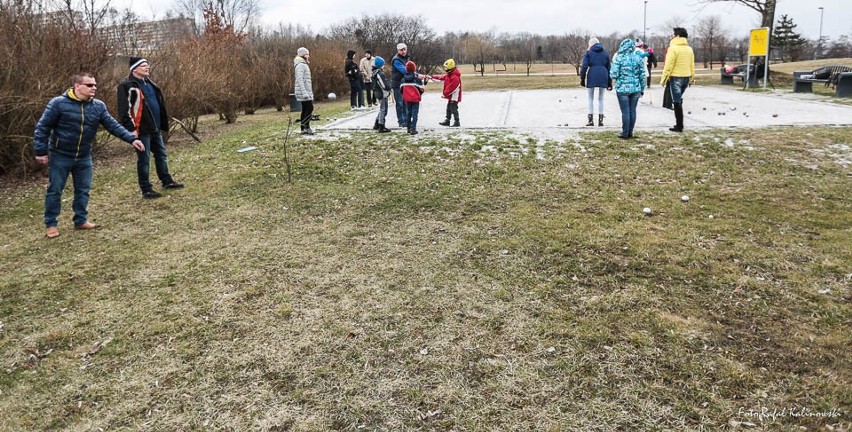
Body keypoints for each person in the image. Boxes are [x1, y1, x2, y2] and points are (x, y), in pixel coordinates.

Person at [33, 72, 145, 238]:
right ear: (77, 86)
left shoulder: (98, 106)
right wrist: (40, 151)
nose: (94, 88)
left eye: (95, 85)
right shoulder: (58, 104)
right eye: (89, 85)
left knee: (83, 190)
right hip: (60, 155)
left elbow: (112, 125)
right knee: (55, 190)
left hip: (84, 155)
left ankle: (80, 220)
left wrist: (131, 138)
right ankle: (51, 224)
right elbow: (43, 128)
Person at [117, 57, 184, 199]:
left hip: (155, 128)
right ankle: (146, 189)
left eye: (148, 65)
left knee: (161, 154)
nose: (147, 68)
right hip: (141, 130)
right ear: (134, 69)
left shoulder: (150, 84)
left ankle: (166, 181)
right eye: (143, 66)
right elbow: (124, 110)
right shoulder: (127, 86)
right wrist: (131, 129)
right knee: (144, 159)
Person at [659, 27, 695, 133]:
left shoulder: (673, 48)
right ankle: (679, 124)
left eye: (673, 34)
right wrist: (692, 78)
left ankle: (679, 126)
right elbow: (691, 64)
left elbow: (669, 65)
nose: (672, 36)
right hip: (686, 77)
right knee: (678, 100)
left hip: (676, 78)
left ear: (678, 36)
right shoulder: (689, 49)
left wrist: (664, 79)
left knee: (676, 102)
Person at [610, 38, 646, 139]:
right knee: (632, 110)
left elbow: (613, 74)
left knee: (625, 111)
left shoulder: (619, 58)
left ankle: (625, 132)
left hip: (622, 89)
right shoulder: (638, 58)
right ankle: (630, 132)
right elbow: (642, 75)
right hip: (636, 89)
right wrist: (642, 88)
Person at [579, 37, 612, 127]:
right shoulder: (605, 53)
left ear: (591, 44)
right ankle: (600, 121)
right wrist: (609, 82)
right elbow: (609, 68)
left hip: (592, 74)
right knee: (601, 98)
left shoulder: (588, 53)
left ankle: (590, 120)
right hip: (603, 75)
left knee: (590, 98)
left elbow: (584, 66)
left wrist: (582, 78)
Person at [430, 58, 462, 127]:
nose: (445, 69)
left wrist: (445, 93)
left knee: (453, 108)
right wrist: (432, 77)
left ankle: (457, 121)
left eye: (446, 67)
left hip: (454, 96)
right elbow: (441, 79)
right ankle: (447, 120)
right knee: (448, 108)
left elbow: (453, 87)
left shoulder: (455, 76)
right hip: (451, 96)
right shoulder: (449, 75)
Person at [293, 47, 315, 135]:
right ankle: (306, 127)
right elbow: (299, 79)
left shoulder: (304, 64)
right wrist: (304, 92)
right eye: (307, 54)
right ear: (303, 55)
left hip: (306, 90)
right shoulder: (300, 65)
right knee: (309, 108)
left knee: (306, 108)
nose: (308, 56)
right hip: (303, 91)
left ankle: (303, 128)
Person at [400, 61, 425, 135]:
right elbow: (422, 89)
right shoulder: (417, 79)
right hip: (415, 99)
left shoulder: (403, 79)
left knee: (408, 113)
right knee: (415, 114)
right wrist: (419, 94)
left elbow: (401, 89)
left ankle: (408, 128)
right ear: (414, 69)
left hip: (407, 99)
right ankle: (413, 128)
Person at [390, 43, 410, 128]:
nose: (403, 51)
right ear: (398, 50)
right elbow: (405, 70)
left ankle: (406, 120)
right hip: (397, 84)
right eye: (401, 50)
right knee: (400, 103)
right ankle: (401, 121)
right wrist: (416, 74)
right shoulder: (396, 60)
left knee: (405, 103)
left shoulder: (407, 58)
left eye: (404, 49)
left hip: (405, 83)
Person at [371, 56, 392, 133]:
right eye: (383, 64)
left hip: (378, 92)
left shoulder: (375, 72)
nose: (384, 65)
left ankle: (376, 123)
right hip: (382, 93)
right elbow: (383, 85)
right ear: (380, 65)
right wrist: (389, 88)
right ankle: (381, 125)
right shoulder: (380, 73)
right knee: (384, 110)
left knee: (382, 109)